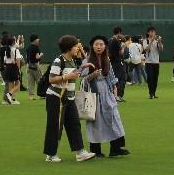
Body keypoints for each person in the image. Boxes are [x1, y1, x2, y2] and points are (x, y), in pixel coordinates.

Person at [43, 35, 96, 163]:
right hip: (56, 98)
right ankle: (51, 154)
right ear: (68, 48)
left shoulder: (72, 60)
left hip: (69, 97)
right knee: (55, 126)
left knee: (74, 124)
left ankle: (80, 152)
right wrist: (67, 76)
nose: (78, 49)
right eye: (75, 47)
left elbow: (73, 73)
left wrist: (82, 67)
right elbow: (51, 79)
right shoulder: (58, 60)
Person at [82, 35, 130, 157]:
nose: (99, 47)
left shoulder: (106, 59)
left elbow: (111, 77)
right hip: (93, 94)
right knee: (95, 121)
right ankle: (95, 150)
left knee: (113, 118)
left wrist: (114, 90)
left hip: (107, 93)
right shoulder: (87, 61)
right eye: (96, 44)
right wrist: (92, 76)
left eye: (101, 44)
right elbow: (82, 79)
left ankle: (115, 148)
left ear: (105, 46)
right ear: (92, 46)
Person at [143, 26, 163, 99]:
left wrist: (160, 41)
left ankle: (154, 93)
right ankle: (150, 93)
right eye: (151, 32)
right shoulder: (145, 41)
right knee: (150, 78)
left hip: (156, 62)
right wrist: (151, 41)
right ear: (148, 33)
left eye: (153, 32)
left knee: (155, 78)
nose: (152, 33)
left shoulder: (157, 41)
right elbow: (146, 50)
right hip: (148, 63)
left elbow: (161, 49)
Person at [1, 35, 21, 105]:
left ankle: (12, 99)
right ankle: (10, 95)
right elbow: (18, 60)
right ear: (13, 42)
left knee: (11, 85)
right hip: (13, 67)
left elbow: (5, 61)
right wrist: (18, 69)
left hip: (8, 68)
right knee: (18, 84)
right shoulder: (15, 50)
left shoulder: (7, 50)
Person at [108, 28, 127, 101]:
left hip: (112, 62)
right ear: (119, 33)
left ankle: (114, 95)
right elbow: (120, 52)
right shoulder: (116, 41)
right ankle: (117, 96)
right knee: (122, 78)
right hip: (118, 62)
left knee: (114, 78)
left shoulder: (109, 40)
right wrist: (123, 47)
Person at [26, 34, 43, 100]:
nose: (38, 40)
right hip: (35, 65)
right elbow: (37, 57)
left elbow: (27, 57)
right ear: (35, 40)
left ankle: (31, 96)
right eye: (37, 39)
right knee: (40, 81)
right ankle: (41, 95)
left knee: (30, 82)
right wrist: (41, 55)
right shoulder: (36, 47)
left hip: (29, 66)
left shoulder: (28, 47)